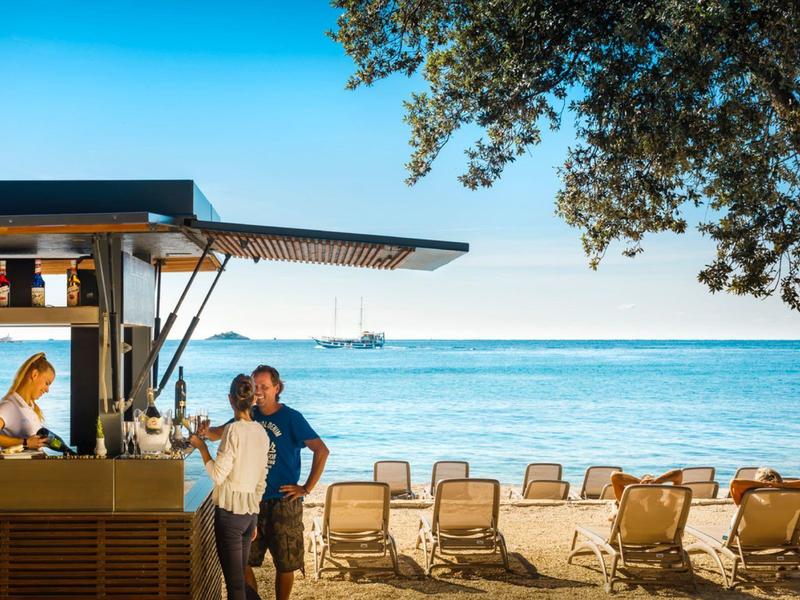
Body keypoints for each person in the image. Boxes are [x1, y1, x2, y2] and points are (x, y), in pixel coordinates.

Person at [205, 364, 329, 600]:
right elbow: (222, 432)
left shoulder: (291, 417)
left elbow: (321, 451)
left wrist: (306, 488)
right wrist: (202, 431)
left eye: (264, 386)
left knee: (285, 564)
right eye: (255, 386)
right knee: (244, 561)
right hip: (252, 502)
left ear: (277, 388)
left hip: (284, 501)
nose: (259, 391)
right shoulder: (249, 416)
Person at [189, 374, 270, 600]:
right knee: (239, 584)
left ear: (230, 400)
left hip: (230, 517)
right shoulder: (262, 433)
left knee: (235, 587)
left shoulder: (233, 430)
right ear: (253, 399)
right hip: (248, 517)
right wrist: (254, 515)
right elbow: (261, 481)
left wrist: (201, 447)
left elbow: (217, 474)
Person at [0, 353, 55, 450]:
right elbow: (28, 443)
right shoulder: (10, 405)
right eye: (47, 383)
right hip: (19, 465)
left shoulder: (30, 407)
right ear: (34, 375)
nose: (47, 390)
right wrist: (25, 443)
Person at [729, 467, 800, 505]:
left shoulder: (749, 503)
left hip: (748, 532)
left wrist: (762, 484)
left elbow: (735, 483)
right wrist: (781, 485)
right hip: (780, 532)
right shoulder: (791, 500)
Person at [610, 468, 684, 502]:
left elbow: (615, 477)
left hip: (634, 532)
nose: (649, 483)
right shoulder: (668, 506)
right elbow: (678, 474)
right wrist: (657, 481)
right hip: (661, 533)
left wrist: (640, 482)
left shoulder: (629, 505)